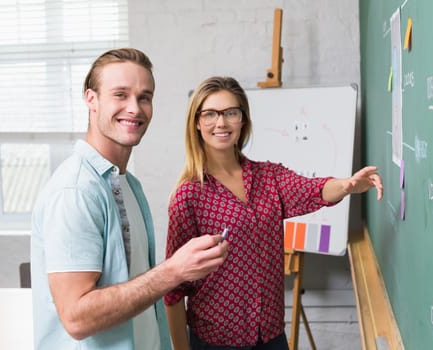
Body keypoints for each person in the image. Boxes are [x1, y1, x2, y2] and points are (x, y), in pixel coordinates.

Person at [164, 76, 384, 349]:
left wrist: (347, 185)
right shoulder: (189, 195)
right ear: (197, 122)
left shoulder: (268, 177)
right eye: (210, 114)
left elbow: (312, 189)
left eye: (231, 113)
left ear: (242, 120)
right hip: (215, 341)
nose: (221, 123)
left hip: (271, 337)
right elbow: (173, 288)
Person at [30, 48, 229, 350]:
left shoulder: (126, 184)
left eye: (144, 97)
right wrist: (173, 271)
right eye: (120, 95)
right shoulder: (76, 191)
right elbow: (77, 319)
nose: (134, 108)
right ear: (91, 99)